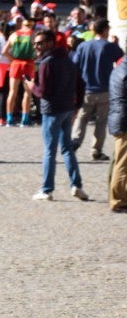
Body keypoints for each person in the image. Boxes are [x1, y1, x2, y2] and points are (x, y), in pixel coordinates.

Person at [24, 30, 88, 202]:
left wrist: (31, 86)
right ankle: (76, 185)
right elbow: (81, 84)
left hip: (52, 110)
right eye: (35, 44)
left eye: (39, 43)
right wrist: (77, 106)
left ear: (50, 43)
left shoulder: (47, 63)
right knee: (67, 149)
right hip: (67, 108)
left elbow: (43, 91)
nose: (36, 47)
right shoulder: (69, 61)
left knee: (50, 151)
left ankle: (47, 189)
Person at [71, 19, 124, 161]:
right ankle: (96, 150)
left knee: (81, 118)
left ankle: (75, 141)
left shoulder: (83, 46)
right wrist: (116, 44)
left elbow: (75, 65)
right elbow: (121, 62)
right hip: (105, 89)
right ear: (105, 30)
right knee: (101, 122)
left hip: (86, 89)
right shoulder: (110, 47)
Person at [107, 58, 127, 212]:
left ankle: (115, 196)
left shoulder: (119, 69)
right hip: (124, 119)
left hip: (118, 117)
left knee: (117, 160)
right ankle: (118, 200)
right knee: (122, 163)